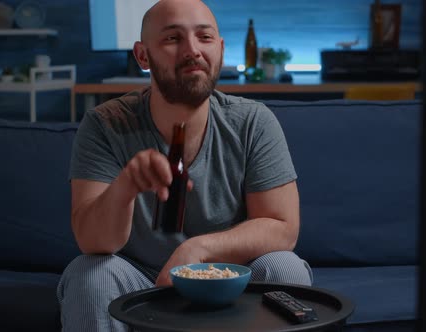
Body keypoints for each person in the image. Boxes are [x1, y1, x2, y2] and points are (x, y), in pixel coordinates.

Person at [57, 0, 313, 330]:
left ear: (220, 49)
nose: (192, 50)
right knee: (89, 274)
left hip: (228, 278)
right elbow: (94, 243)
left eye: (204, 38)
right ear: (142, 56)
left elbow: (282, 227)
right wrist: (125, 187)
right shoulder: (106, 124)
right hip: (139, 283)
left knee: (284, 267)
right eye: (172, 38)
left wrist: (199, 250)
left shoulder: (253, 122)